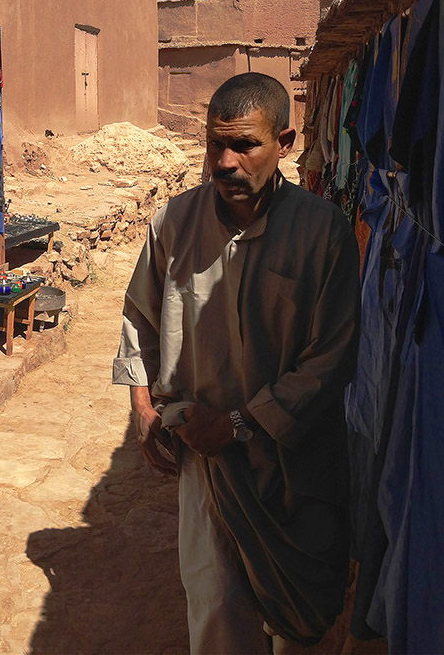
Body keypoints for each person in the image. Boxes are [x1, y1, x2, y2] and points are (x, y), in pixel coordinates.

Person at [113, 72, 361, 654]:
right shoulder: (173, 224)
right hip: (209, 467)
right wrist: (144, 409)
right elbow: (137, 323)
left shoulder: (323, 233)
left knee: (300, 623)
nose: (225, 162)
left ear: (286, 143)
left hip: (294, 464)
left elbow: (332, 357)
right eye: (214, 144)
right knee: (220, 613)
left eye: (245, 145)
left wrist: (240, 423)